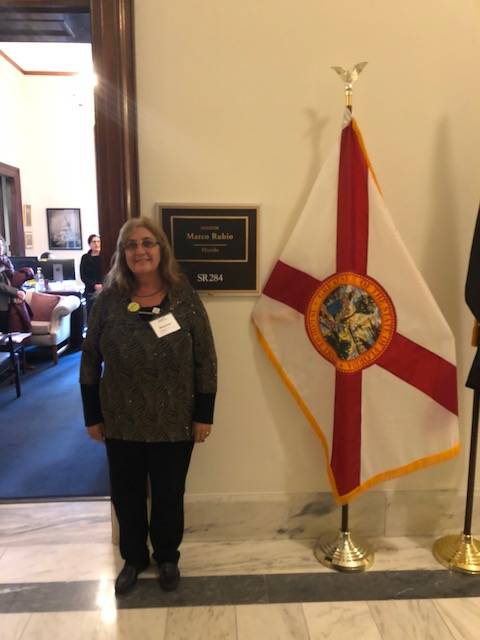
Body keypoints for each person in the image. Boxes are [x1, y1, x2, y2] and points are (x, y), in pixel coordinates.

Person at [79, 217, 217, 596]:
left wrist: (204, 414)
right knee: (127, 495)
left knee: (169, 494)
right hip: (120, 418)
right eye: (131, 245)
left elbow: (205, 359)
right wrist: (92, 415)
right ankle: (134, 558)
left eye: (147, 243)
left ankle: (168, 557)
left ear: (161, 249)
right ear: (122, 254)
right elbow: (89, 359)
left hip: (175, 418)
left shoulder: (184, 297)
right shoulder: (108, 300)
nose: (140, 251)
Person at [0, 235, 26, 332]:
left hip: (10, 301)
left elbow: (13, 278)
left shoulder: (6, 261)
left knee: (11, 331)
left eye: (1, 245)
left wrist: (21, 290)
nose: (0, 248)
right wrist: (16, 292)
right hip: (1, 302)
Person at [80, 234, 103, 316]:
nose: (96, 244)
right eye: (94, 242)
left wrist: (102, 285)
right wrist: (94, 285)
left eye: (98, 241)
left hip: (105, 289)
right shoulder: (85, 258)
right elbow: (83, 276)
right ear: (89, 244)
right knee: (91, 315)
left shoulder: (105, 256)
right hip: (90, 291)